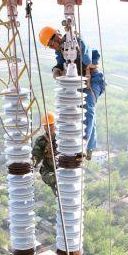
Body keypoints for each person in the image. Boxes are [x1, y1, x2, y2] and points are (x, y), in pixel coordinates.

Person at [39, 26, 104, 160]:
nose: (52, 47)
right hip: (80, 83)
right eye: (50, 46)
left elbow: (87, 59)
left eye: (51, 44)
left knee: (88, 109)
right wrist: (56, 69)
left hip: (93, 80)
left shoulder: (76, 43)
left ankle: (84, 143)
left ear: (56, 36)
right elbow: (60, 62)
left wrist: (76, 49)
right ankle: (89, 146)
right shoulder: (61, 50)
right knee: (79, 111)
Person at [32, 111, 57, 195]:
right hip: (48, 169)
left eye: (51, 125)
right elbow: (36, 154)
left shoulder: (62, 138)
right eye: (46, 126)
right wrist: (34, 161)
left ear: (54, 124)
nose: (49, 128)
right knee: (52, 178)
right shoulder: (41, 140)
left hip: (61, 167)